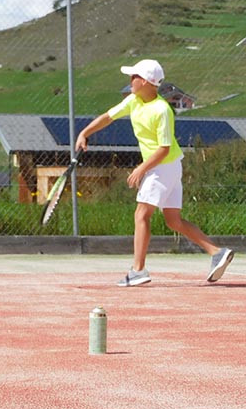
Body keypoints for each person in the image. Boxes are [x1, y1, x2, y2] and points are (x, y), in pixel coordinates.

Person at [75, 59, 234, 287]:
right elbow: (108, 117)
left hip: (163, 166)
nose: (130, 81)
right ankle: (217, 252)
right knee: (173, 220)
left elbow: (164, 148)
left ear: (146, 82)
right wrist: (84, 132)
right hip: (167, 167)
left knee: (141, 214)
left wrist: (141, 168)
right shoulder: (133, 100)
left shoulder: (162, 110)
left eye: (134, 77)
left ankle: (138, 271)